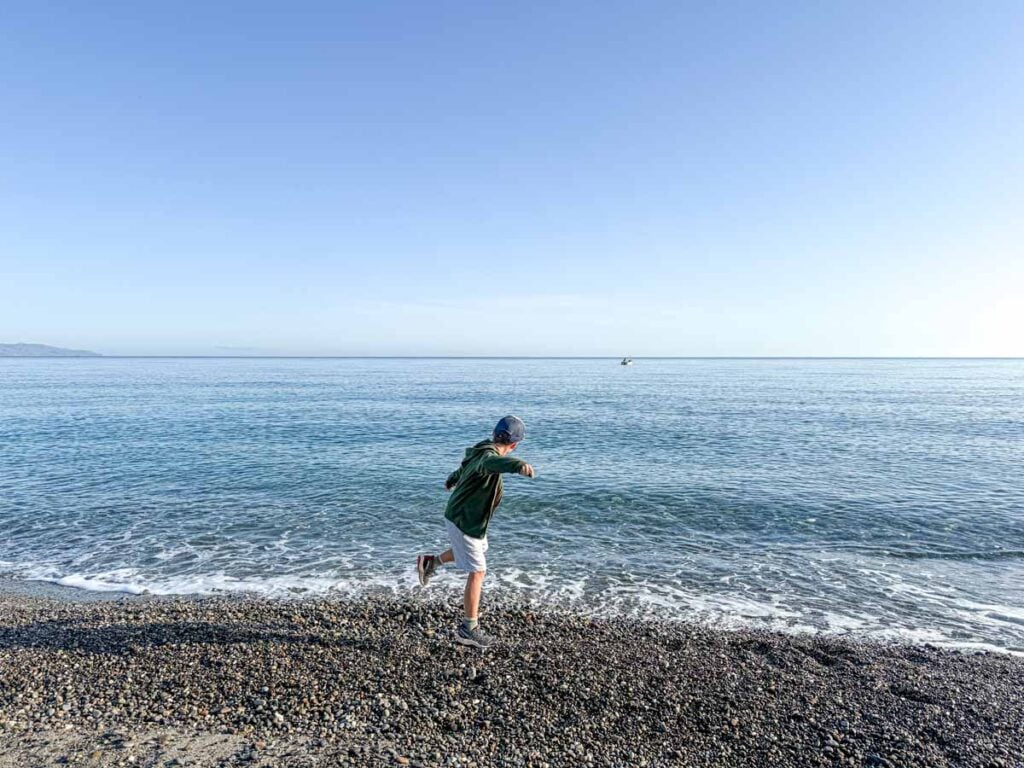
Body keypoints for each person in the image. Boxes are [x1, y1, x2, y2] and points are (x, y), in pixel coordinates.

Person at [416, 415, 535, 648]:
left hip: (467, 518)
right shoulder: (489, 457)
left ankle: (431, 563)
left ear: (495, 435)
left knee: (477, 550)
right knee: (478, 571)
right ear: (515, 445)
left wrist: (452, 478)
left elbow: (466, 466)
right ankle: (468, 629)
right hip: (464, 520)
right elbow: (489, 464)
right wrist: (517, 465)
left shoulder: (481, 450)